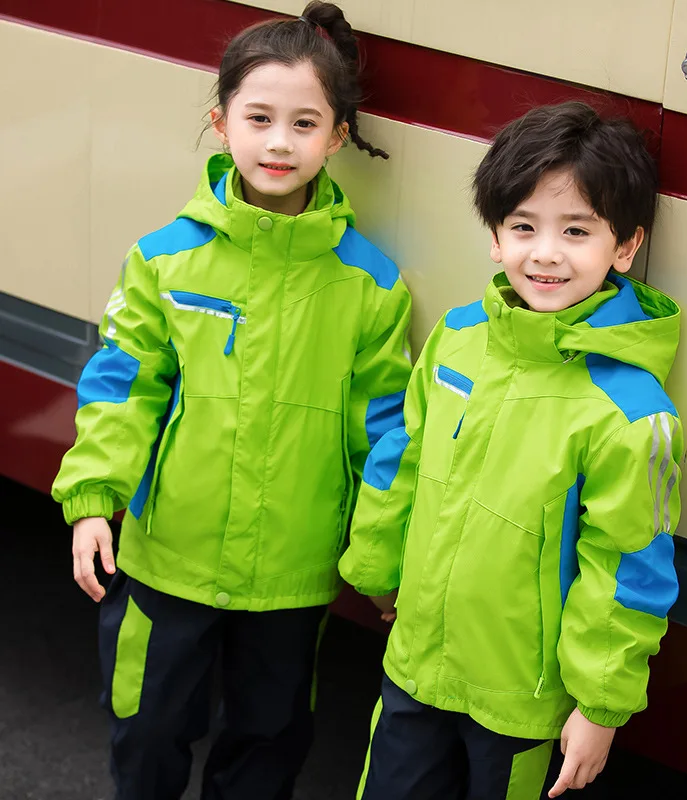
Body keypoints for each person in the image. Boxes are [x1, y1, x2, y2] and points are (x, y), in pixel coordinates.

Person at [51, 3, 411, 798]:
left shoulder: (371, 286)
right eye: (259, 117)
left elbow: (385, 432)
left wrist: (382, 560)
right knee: (146, 737)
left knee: (268, 748)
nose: (279, 142)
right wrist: (91, 498)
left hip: (291, 575)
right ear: (221, 122)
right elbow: (122, 388)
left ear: (338, 136)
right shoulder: (164, 261)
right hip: (165, 559)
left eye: (305, 123)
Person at [339, 101, 684, 800]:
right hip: (416, 666)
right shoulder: (458, 339)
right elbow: (398, 461)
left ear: (625, 247)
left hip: (523, 706)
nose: (546, 252)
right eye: (523, 226)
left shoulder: (632, 412)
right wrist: (374, 562)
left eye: (576, 231)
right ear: (495, 236)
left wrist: (600, 705)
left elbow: (626, 572)